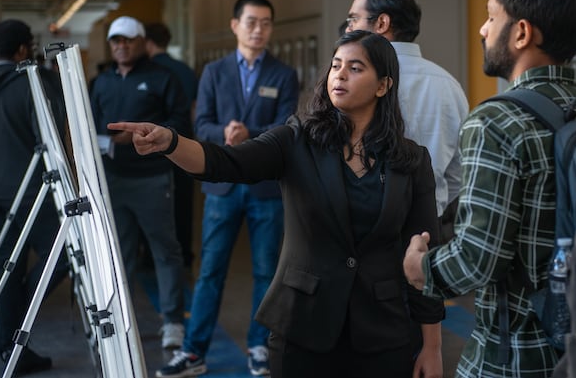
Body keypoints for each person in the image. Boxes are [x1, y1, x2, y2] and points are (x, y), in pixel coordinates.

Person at [109, 30, 445, 378]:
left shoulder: (410, 161)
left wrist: (432, 347)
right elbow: (225, 162)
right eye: (335, 66)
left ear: (383, 85)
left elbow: (425, 254)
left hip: (382, 333)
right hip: (303, 326)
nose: (340, 75)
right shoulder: (298, 139)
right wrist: (171, 142)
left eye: (355, 68)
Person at [403, 0, 576, 377]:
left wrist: (421, 268)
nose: (483, 30)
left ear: (522, 32)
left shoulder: (497, 121)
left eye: (492, 17)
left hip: (513, 354)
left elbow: (476, 261)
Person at [156, 0, 299, 377]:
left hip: (266, 188)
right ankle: (193, 352)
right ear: (235, 25)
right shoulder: (214, 73)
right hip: (221, 187)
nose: (259, 30)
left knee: (267, 271)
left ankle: (259, 346)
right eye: (251, 22)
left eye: (266, 23)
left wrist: (249, 133)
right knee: (210, 271)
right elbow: (200, 125)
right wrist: (224, 132)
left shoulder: (283, 75)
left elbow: (288, 128)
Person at [89, 16, 190, 350]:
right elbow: (87, 124)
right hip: (112, 181)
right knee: (120, 255)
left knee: (165, 252)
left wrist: (146, 132)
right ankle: (120, 320)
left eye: (128, 40)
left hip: (152, 179)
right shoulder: (101, 81)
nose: (122, 46)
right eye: (116, 40)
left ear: (141, 41)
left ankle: (173, 321)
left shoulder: (163, 78)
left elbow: (179, 122)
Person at [345, 0, 468, 221]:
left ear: (382, 23)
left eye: (353, 20)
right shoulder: (449, 84)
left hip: (365, 229)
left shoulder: (357, 81)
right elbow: (458, 175)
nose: (348, 29)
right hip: (430, 228)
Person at [0, 19, 68, 374]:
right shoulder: (32, 84)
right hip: (31, 195)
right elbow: (51, 142)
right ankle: (22, 311)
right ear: (23, 49)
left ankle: (11, 348)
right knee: (66, 252)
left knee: (3, 269)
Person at [145, 22, 199, 268]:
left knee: (155, 208)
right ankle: (184, 254)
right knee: (183, 203)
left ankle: (152, 258)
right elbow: (194, 111)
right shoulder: (186, 71)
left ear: (147, 43)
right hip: (186, 145)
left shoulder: (150, 72)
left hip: (154, 152)